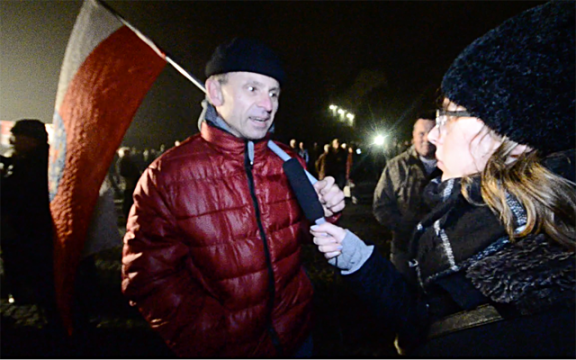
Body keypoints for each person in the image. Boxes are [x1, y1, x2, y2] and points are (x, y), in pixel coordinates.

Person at [310, 0, 576, 356]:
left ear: (512, 139)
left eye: (449, 117)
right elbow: (425, 318)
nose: (434, 136)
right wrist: (359, 258)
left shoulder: (544, 310)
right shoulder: (460, 233)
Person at [121, 38, 345, 358]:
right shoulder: (168, 176)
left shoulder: (289, 162)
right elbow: (147, 279)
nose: (267, 105)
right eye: (252, 89)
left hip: (297, 338)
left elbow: (301, 241)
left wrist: (326, 212)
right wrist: (210, 336)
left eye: (273, 93)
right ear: (215, 92)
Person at [0, 119, 65, 353]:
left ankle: (54, 331)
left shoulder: (36, 165)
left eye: (17, 136)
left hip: (34, 232)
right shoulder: (40, 159)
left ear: (31, 139)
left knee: (41, 279)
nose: (12, 141)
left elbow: (17, 193)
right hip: (34, 230)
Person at [372, 113, 440, 277]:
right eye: (421, 134)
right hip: (404, 248)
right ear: (413, 136)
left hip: (440, 249)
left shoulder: (452, 165)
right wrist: (404, 226)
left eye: (430, 133)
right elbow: (381, 205)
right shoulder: (396, 166)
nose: (426, 139)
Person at [116, 147, 140, 222]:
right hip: (130, 182)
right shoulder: (128, 161)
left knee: (128, 198)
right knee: (128, 199)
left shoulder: (122, 161)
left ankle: (127, 214)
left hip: (128, 182)